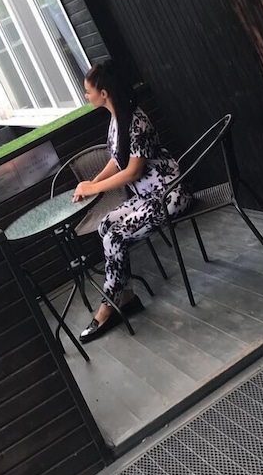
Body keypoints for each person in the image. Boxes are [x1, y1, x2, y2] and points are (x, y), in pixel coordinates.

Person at [72, 60, 191, 343]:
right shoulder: (117, 119)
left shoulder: (136, 122)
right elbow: (117, 160)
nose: (86, 96)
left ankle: (108, 307)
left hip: (168, 196)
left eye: (88, 91)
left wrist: (95, 187)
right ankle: (125, 296)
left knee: (114, 236)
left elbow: (133, 172)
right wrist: (91, 186)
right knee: (105, 225)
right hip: (148, 198)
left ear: (104, 93)